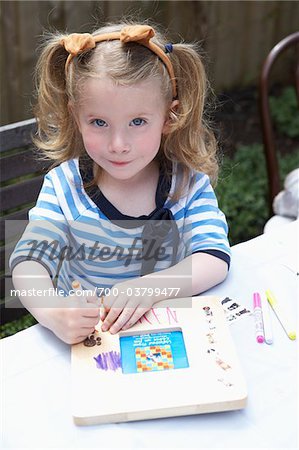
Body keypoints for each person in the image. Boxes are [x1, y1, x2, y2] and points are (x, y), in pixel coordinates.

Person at [10, 21, 231, 344]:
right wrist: (53, 312)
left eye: (137, 122)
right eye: (99, 122)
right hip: (91, 342)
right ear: (76, 116)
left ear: (169, 117)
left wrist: (150, 288)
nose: (118, 144)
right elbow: (29, 262)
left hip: (166, 337)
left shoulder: (187, 184)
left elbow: (213, 257)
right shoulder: (64, 186)